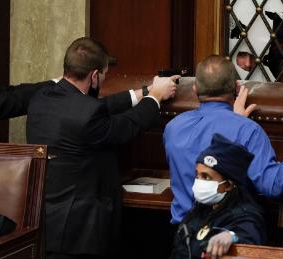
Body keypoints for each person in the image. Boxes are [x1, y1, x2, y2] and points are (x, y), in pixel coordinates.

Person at [26, 37, 178, 259]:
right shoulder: (87, 112)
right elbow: (124, 127)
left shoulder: (42, 98)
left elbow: (96, 107)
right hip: (79, 231)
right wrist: (155, 97)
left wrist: (143, 92)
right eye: (105, 74)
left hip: (46, 221)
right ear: (94, 75)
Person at [163, 55, 283, 224]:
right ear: (237, 88)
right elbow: (272, 185)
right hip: (227, 237)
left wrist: (235, 121)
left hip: (183, 237)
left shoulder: (173, 127)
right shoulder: (246, 130)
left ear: (195, 89)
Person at [171, 133, 266, 259]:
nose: (199, 182)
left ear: (228, 185)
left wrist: (231, 236)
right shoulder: (201, 210)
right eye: (197, 175)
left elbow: (247, 236)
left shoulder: (245, 216)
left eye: (206, 177)